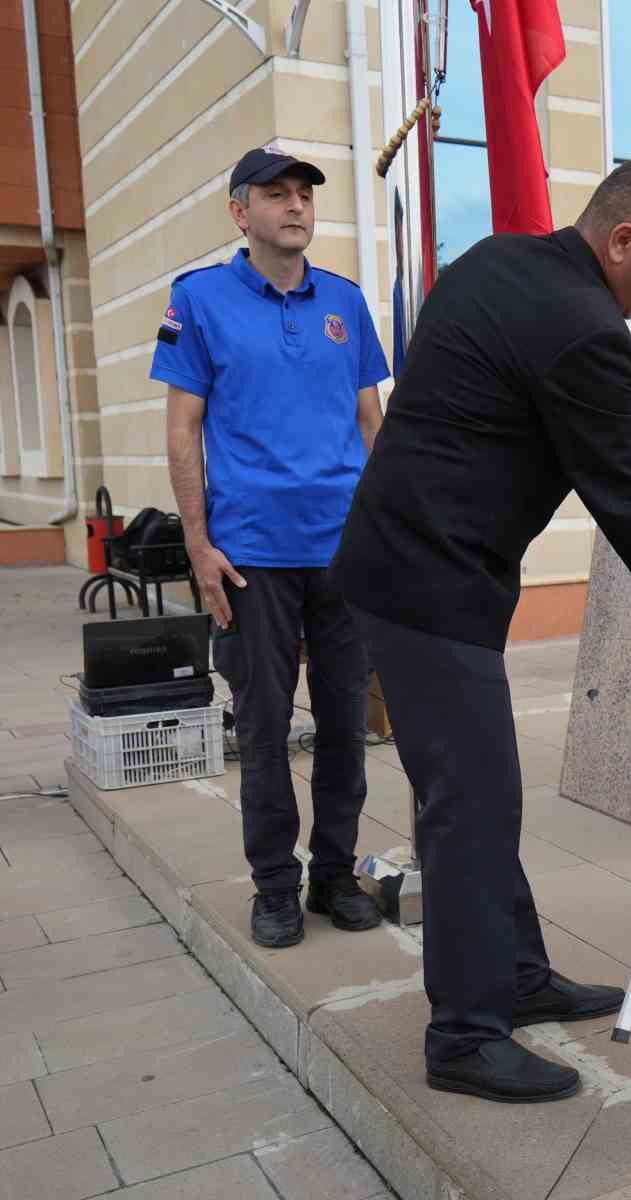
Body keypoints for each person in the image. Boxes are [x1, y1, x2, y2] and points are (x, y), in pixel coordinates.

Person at [329, 160, 631, 1105]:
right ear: (622, 241)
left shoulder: (494, 260)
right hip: (428, 583)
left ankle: (515, 977)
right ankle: (466, 1035)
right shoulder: (588, 334)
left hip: (407, 565)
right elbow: (622, 500)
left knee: (478, 793)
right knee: (471, 804)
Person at [155, 148, 389, 950]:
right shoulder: (200, 302)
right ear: (239, 211)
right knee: (261, 730)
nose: (295, 206)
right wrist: (198, 544)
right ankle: (275, 889)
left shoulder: (347, 304)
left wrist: (384, 530)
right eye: (275, 194)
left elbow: (371, 423)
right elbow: (183, 429)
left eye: (303, 195)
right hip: (250, 553)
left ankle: (333, 875)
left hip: (344, 552)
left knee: (342, 730)